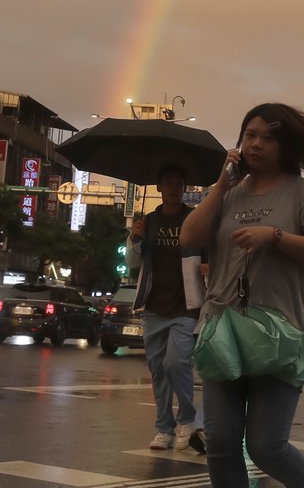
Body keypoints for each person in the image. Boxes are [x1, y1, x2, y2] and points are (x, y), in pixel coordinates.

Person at [180, 103, 304, 488]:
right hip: (222, 331)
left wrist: (275, 236)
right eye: (250, 134)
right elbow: (188, 238)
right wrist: (220, 186)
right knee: (219, 440)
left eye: (268, 137)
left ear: (285, 145)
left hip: (279, 333)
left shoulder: (302, 192)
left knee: (267, 445)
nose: (257, 143)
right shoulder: (228, 195)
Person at [127, 164, 205, 452]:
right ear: (159, 188)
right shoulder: (147, 222)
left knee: (176, 362)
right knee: (158, 369)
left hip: (187, 305)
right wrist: (134, 239)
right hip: (153, 305)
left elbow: (208, 254)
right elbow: (133, 263)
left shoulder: (195, 219)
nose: (173, 188)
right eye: (168, 183)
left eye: (178, 183)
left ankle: (187, 418)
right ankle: (164, 428)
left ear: (184, 187)